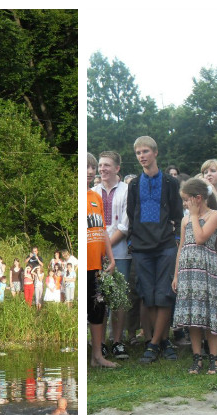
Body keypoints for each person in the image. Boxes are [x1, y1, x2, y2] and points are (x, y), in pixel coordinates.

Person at [126, 136, 184, 363]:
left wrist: (176, 238)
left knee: (165, 295)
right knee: (148, 296)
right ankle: (163, 341)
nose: (142, 156)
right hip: (141, 247)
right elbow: (132, 214)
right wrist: (132, 240)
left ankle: (153, 344)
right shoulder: (133, 184)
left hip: (165, 246)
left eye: (146, 151)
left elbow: (177, 215)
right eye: (138, 152)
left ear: (155, 153)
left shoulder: (170, 182)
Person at [172, 177, 217, 375]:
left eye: (187, 200)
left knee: (209, 316)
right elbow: (181, 248)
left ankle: (214, 358)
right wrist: (176, 274)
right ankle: (197, 358)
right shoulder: (185, 219)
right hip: (187, 271)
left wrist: (194, 216)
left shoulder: (214, 215)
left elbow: (201, 238)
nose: (185, 204)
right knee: (193, 317)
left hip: (206, 270)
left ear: (198, 198)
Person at [94, 151, 132, 356]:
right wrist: (99, 249)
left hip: (120, 252)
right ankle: (99, 342)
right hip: (96, 253)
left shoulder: (127, 191)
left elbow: (125, 225)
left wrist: (106, 246)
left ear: (117, 168)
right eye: (100, 165)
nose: (102, 169)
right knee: (99, 298)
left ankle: (118, 341)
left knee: (118, 298)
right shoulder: (92, 192)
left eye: (107, 165)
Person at [87, 182, 118, 370]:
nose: (89, 171)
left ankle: (97, 356)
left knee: (98, 309)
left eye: (91, 167)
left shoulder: (95, 197)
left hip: (98, 266)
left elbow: (103, 230)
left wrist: (111, 258)